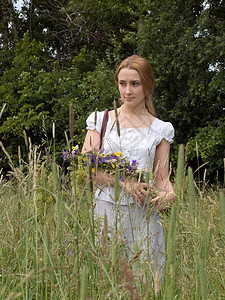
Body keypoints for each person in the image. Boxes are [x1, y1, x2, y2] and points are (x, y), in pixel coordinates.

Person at [82, 54, 175, 283]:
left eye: (135, 84)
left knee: (144, 279)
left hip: (143, 214)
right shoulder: (101, 120)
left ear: (147, 85)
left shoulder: (161, 129)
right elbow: (87, 168)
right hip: (106, 210)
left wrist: (169, 193)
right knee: (107, 277)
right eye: (122, 84)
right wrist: (124, 184)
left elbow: (161, 178)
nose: (127, 91)